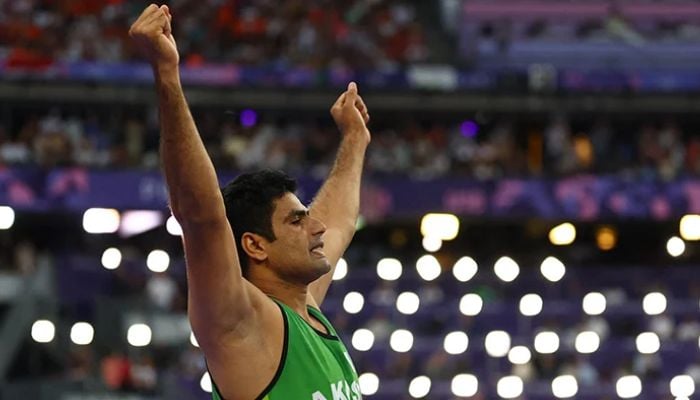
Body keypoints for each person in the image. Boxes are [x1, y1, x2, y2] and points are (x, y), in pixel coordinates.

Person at [129, 4, 371, 400]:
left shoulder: (304, 311)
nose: (318, 228)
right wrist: (167, 74)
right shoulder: (242, 323)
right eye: (296, 221)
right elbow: (202, 217)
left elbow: (339, 221)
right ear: (255, 245)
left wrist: (355, 143)